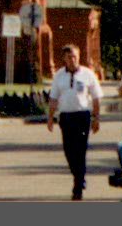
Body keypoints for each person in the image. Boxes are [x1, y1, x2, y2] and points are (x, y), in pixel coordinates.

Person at [46, 43, 101, 200]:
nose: (73, 60)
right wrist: (50, 118)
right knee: (69, 151)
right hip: (66, 117)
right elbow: (54, 98)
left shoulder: (87, 74)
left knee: (80, 150)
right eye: (69, 57)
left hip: (82, 116)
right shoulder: (59, 76)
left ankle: (78, 184)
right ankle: (78, 175)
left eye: (75, 56)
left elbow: (96, 97)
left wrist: (96, 118)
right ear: (64, 59)